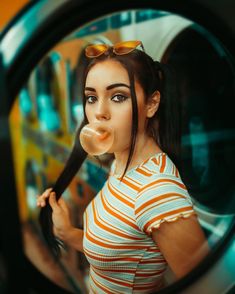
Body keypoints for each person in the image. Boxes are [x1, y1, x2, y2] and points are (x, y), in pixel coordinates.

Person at [37, 40, 209, 293]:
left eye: (118, 96)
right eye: (91, 98)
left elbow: (209, 286)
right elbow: (119, 256)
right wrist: (67, 232)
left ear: (151, 104)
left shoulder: (157, 192)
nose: (99, 113)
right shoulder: (122, 163)